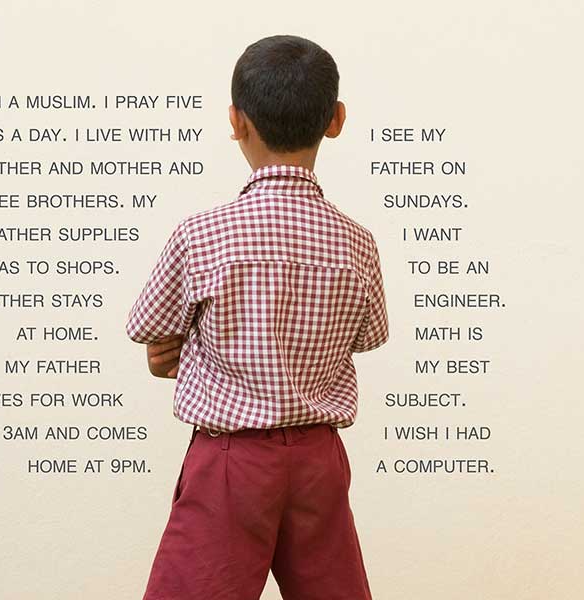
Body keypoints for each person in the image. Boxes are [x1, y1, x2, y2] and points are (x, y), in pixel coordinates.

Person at [125, 34, 389, 600]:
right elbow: (368, 337)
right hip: (319, 459)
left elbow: (153, 334)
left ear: (235, 121)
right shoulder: (358, 244)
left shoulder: (202, 236)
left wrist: (189, 345)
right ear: (335, 120)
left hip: (231, 459)